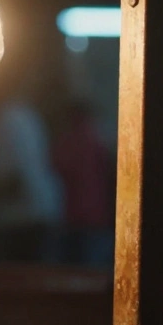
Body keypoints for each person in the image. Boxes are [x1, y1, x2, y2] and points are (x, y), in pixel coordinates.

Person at [0, 99, 64, 261]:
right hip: (42, 211)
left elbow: (15, 173)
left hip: (21, 218)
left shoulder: (8, 121)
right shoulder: (28, 116)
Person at [50, 102, 114, 267]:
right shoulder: (97, 141)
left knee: (74, 269)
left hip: (72, 215)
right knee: (93, 270)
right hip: (95, 216)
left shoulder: (65, 143)